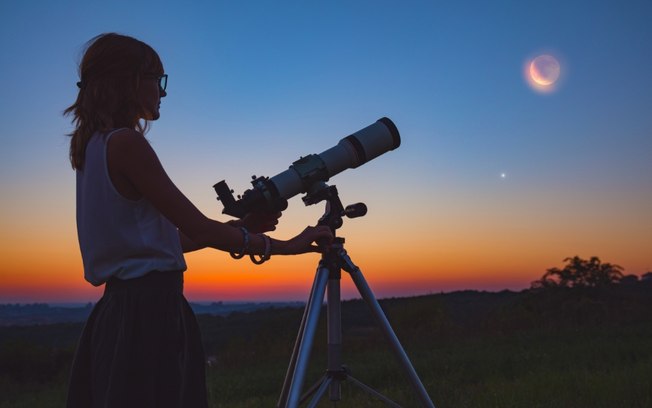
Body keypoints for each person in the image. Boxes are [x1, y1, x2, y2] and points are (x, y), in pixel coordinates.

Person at [64, 32, 333, 408]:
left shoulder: (91, 148)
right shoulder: (127, 144)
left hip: (119, 312)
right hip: (151, 312)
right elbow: (198, 228)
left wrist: (241, 229)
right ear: (128, 81)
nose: (162, 92)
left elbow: (162, 241)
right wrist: (288, 247)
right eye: (157, 80)